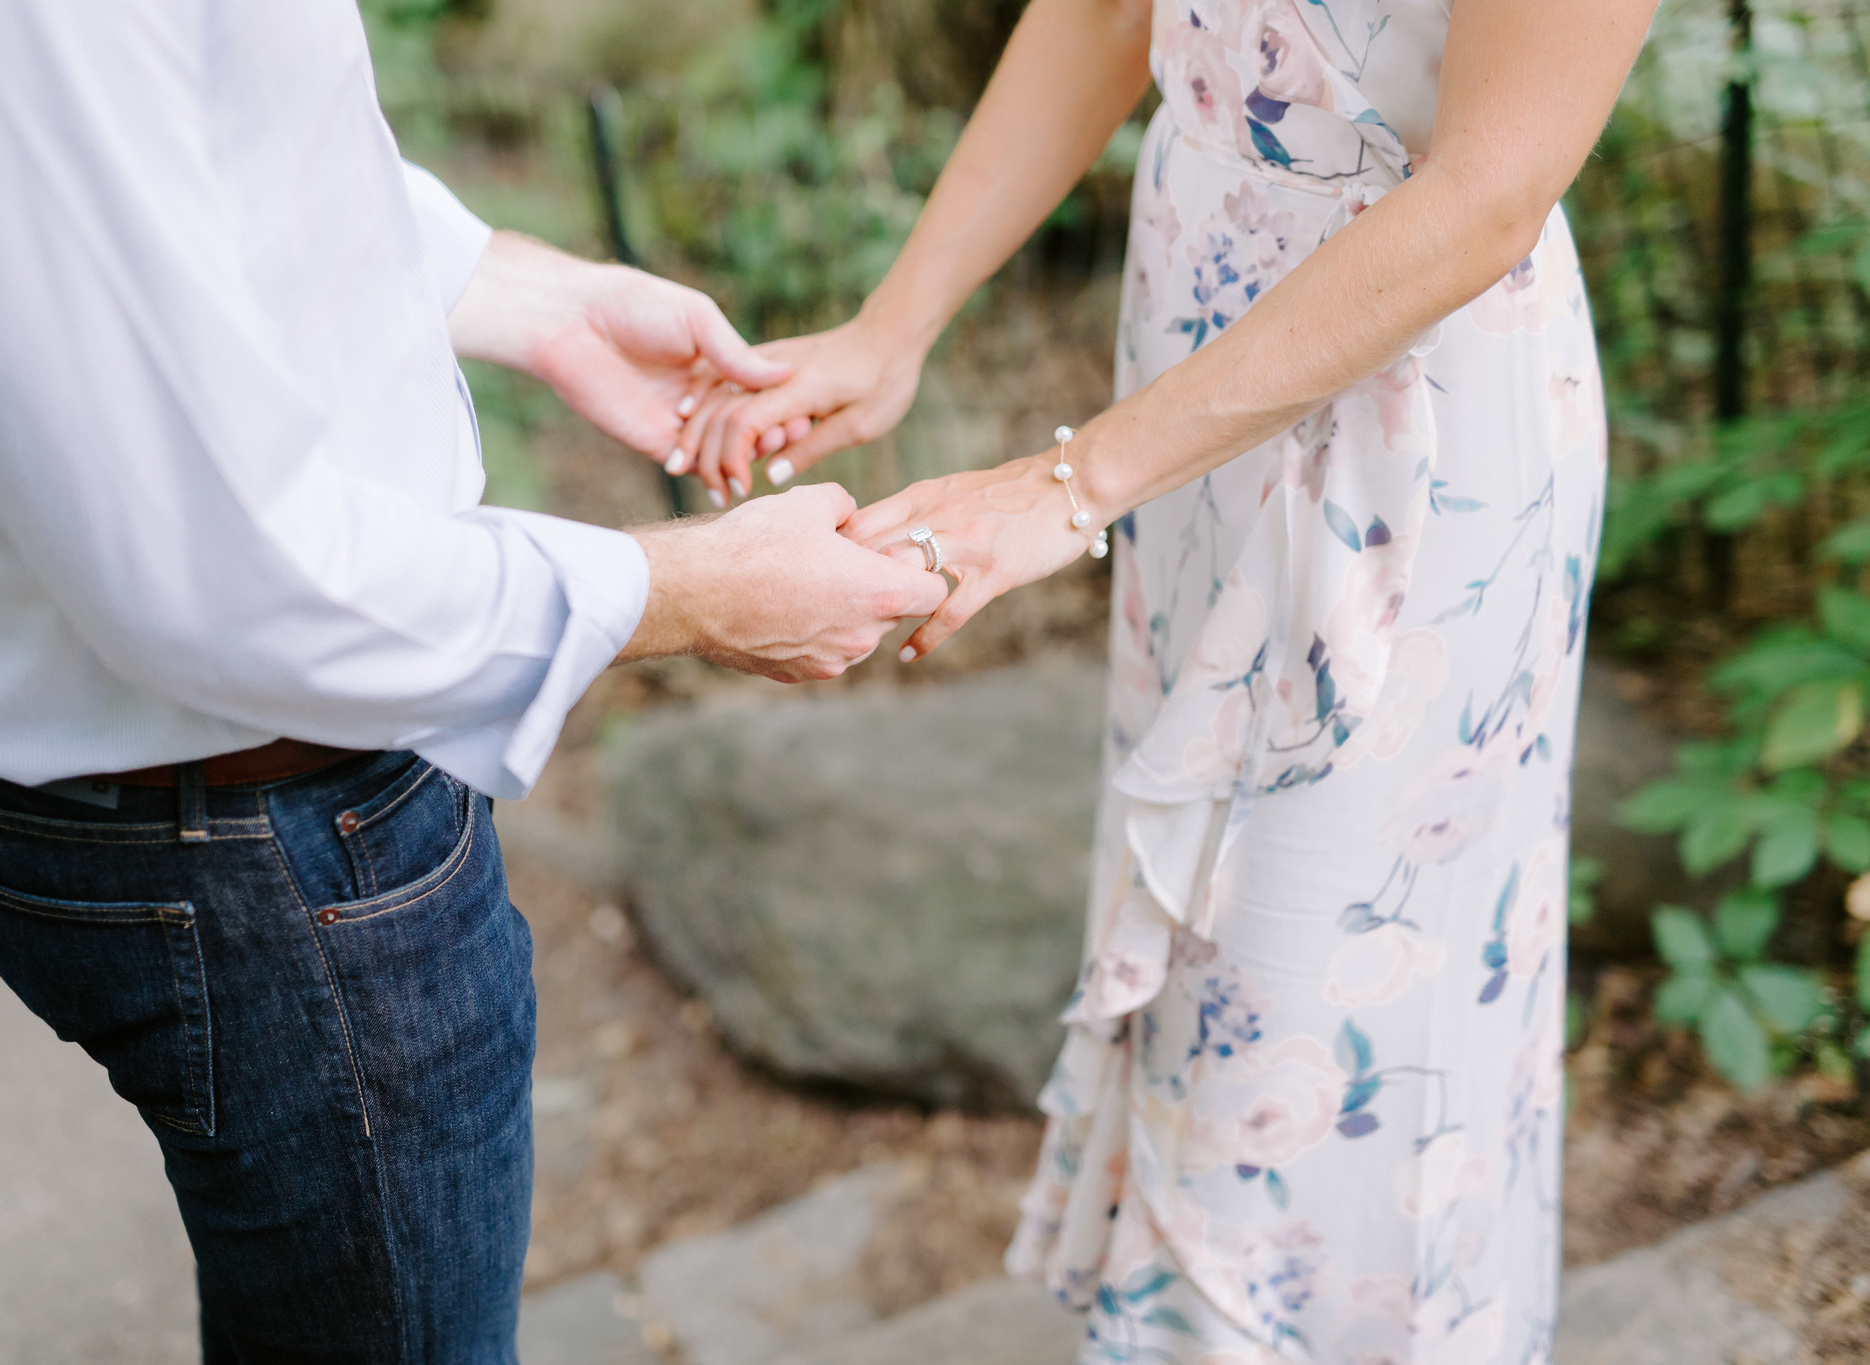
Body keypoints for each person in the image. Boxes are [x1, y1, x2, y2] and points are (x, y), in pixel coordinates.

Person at [0, 4, 944, 1362]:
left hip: (243, 811)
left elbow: (195, 159)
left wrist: (520, 292)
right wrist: (688, 590)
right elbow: (224, 582)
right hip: (270, 846)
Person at [675, 0, 1652, 1357]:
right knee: (1202, 977)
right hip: (1193, 385)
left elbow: (1487, 193)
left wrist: (1069, 482)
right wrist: (898, 323)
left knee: (1321, 1034)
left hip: (1410, 446)